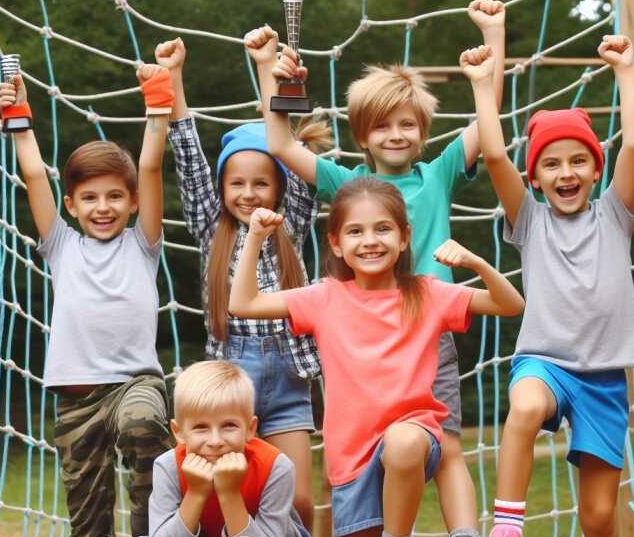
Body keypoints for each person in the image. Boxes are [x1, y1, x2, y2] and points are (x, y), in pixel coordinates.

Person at [245, 3, 505, 533]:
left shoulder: (438, 174)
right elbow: (279, 143)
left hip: (428, 329)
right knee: (366, 453)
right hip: (361, 341)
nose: (396, 134)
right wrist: (268, 67)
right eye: (382, 126)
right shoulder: (345, 185)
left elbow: (486, 121)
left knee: (449, 447)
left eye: (407, 124)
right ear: (362, 136)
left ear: (424, 130)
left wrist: (493, 40)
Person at [229, 177, 524, 537]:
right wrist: (256, 237)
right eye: (355, 232)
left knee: (402, 441)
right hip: (351, 458)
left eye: (383, 229)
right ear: (336, 244)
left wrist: (477, 264)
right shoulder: (325, 298)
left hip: (414, 439)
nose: (370, 241)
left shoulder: (426, 293)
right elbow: (243, 304)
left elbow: (510, 304)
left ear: (403, 237)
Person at [460, 35, 634, 537]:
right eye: (552, 163)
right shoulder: (530, 221)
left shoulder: (614, 214)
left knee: (599, 517)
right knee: (524, 406)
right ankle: (506, 525)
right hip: (545, 363)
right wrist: (482, 86)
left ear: (596, 169)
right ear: (536, 178)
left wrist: (626, 73)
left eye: (578, 161)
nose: (566, 172)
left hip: (604, 377)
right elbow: (496, 158)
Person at [154, 37, 332, 530]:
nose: (249, 194)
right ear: (222, 188)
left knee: (297, 499)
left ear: (278, 186)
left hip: (290, 377)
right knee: (222, 489)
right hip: (234, 380)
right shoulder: (213, 229)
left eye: (261, 183)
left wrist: (267, 71)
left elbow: (285, 145)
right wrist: (174, 78)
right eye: (237, 183)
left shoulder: (289, 224)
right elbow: (188, 160)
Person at [0, 64, 174, 536]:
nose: (103, 207)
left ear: (133, 202)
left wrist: (158, 104)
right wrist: (17, 113)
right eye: (90, 198)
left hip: (134, 384)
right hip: (77, 399)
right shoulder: (61, 245)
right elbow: (34, 173)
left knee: (143, 424)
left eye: (115, 196)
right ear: (71, 205)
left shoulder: (143, 243)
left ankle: (153, 528)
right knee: (88, 522)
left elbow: (152, 165)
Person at [149, 360, 309, 537]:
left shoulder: (275, 467)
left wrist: (230, 493)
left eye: (229, 425)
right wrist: (195, 493)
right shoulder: (168, 467)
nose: (215, 441)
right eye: (200, 427)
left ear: (250, 429)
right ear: (178, 432)